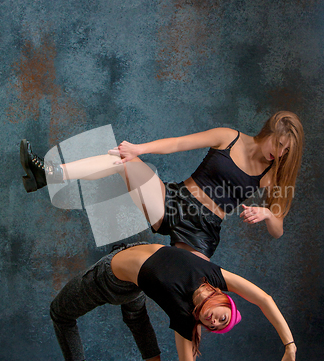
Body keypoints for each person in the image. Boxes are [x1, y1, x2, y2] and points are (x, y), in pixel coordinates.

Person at [50, 242, 298, 361]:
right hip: (136, 281)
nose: (213, 321)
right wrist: (289, 343)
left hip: (111, 276)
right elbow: (264, 299)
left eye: (214, 326)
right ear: (224, 299)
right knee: (136, 317)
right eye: (222, 318)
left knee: (60, 312)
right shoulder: (215, 276)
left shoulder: (184, 315)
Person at [20, 111, 304, 261]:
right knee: (123, 161)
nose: (279, 153)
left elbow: (278, 229)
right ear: (269, 131)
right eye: (278, 144)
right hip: (173, 200)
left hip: (202, 232)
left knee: (191, 298)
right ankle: (50, 174)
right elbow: (179, 144)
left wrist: (268, 214)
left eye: (286, 151)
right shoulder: (229, 137)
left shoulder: (270, 175)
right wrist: (138, 149)